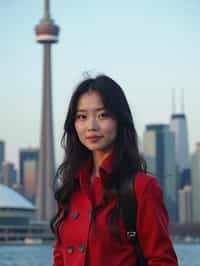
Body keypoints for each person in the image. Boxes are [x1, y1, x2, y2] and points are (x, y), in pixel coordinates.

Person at [51, 75, 178, 266]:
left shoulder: (141, 188)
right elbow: (60, 258)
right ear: (73, 124)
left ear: (120, 120)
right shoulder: (70, 189)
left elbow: (162, 261)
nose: (91, 127)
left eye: (102, 115)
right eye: (82, 117)